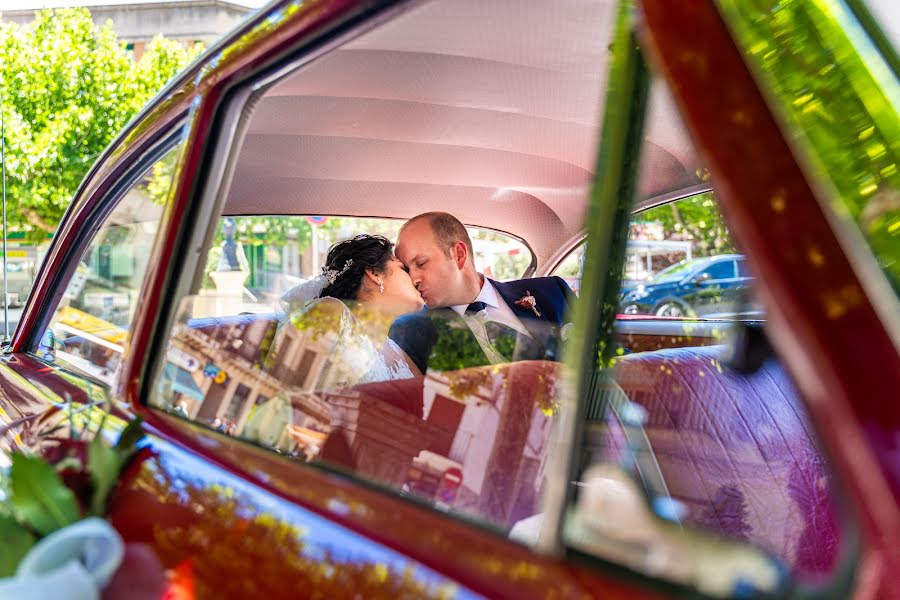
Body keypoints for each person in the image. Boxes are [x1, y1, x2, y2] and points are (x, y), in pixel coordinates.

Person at [390, 212, 574, 373]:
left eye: (421, 263)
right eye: (407, 269)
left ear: (459, 255)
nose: (413, 279)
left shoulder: (552, 291)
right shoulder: (410, 333)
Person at [272, 234, 425, 389]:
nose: (415, 277)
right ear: (375, 273)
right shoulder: (330, 313)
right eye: (404, 268)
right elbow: (277, 392)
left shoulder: (394, 348)